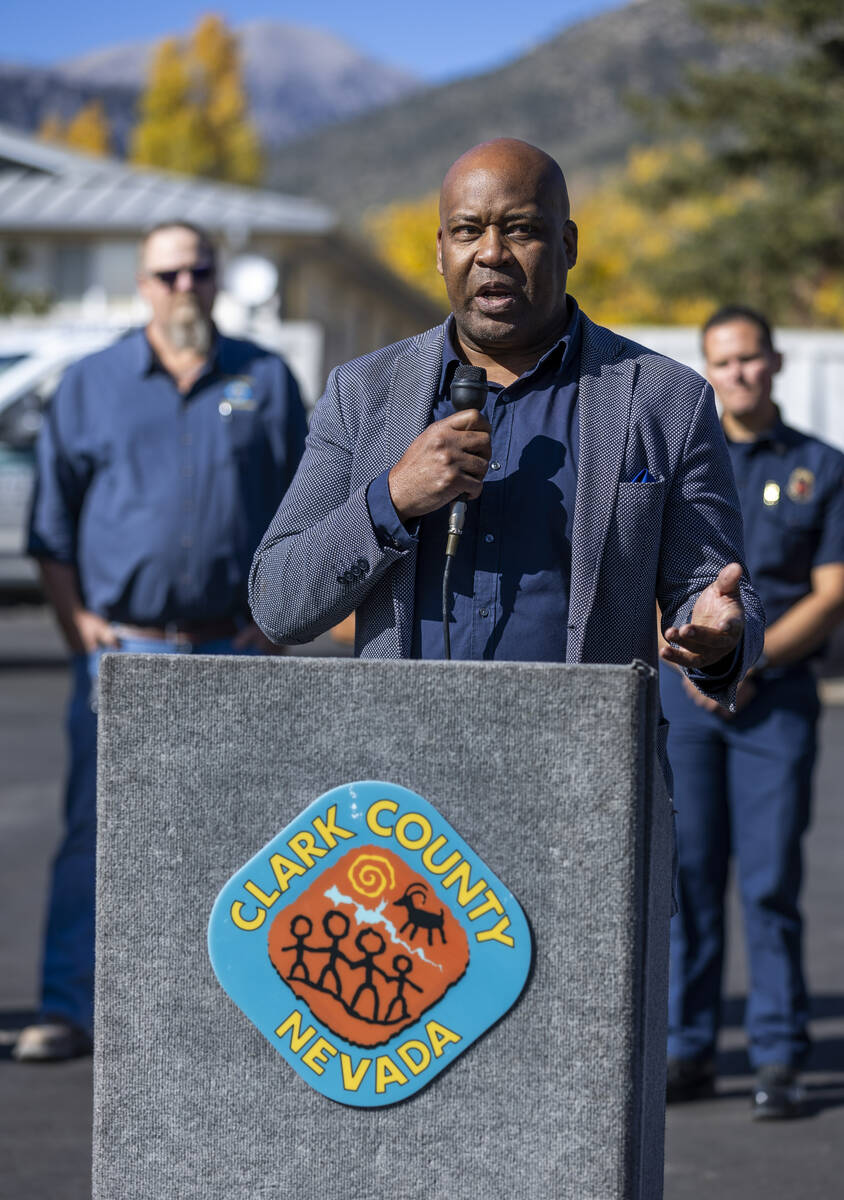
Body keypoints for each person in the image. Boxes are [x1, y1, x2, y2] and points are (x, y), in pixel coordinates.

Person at [251, 138, 762, 700]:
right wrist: (392, 499)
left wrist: (720, 642)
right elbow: (280, 603)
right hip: (406, 765)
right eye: (468, 231)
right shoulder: (363, 394)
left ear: (567, 245)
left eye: (520, 229)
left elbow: (712, 593)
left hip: (583, 765)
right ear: (440, 250)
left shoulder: (666, 399)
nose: (492, 253)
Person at [14, 221, 307, 1062]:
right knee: (95, 835)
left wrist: (277, 624)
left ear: (217, 281)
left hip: (233, 652)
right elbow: (52, 528)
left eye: (199, 271)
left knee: (241, 839)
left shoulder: (266, 380)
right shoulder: (91, 385)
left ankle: (225, 1020)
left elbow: (308, 509)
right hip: (123, 655)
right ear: (143, 284)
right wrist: (79, 632)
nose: (185, 287)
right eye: (168, 274)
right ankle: (71, 1009)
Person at [663, 306, 844, 1119]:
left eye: (750, 359)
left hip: (776, 701)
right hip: (691, 701)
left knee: (769, 885)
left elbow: (834, 591)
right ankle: (686, 1047)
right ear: (709, 370)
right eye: (722, 362)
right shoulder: (682, 462)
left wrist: (748, 658)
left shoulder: (822, 467)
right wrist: (700, 665)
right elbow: (645, 574)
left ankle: (777, 1056)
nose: (737, 373)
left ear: (774, 363)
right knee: (689, 880)